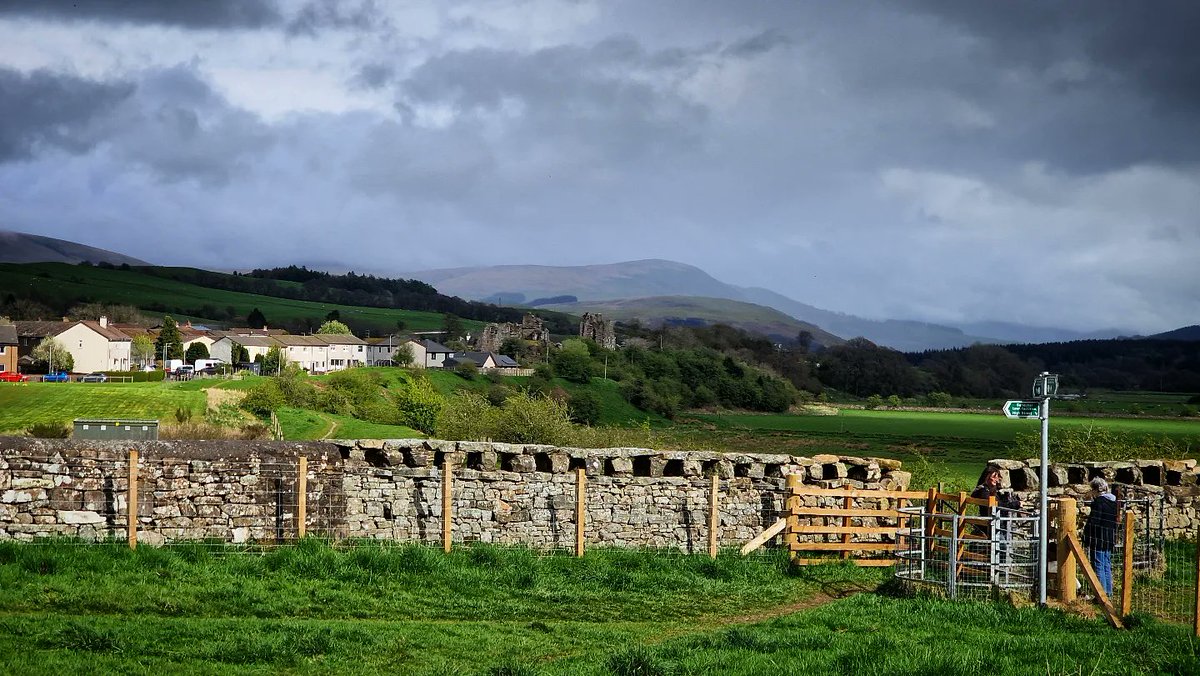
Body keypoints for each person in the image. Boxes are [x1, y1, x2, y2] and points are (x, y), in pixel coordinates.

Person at [1083, 477, 1118, 597]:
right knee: (1106, 564)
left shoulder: (1099, 502)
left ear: (1096, 490)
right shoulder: (1113, 501)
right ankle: (1108, 592)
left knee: (1098, 564)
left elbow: (1094, 522)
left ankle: (1100, 594)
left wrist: (1086, 536)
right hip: (1109, 537)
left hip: (1098, 538)